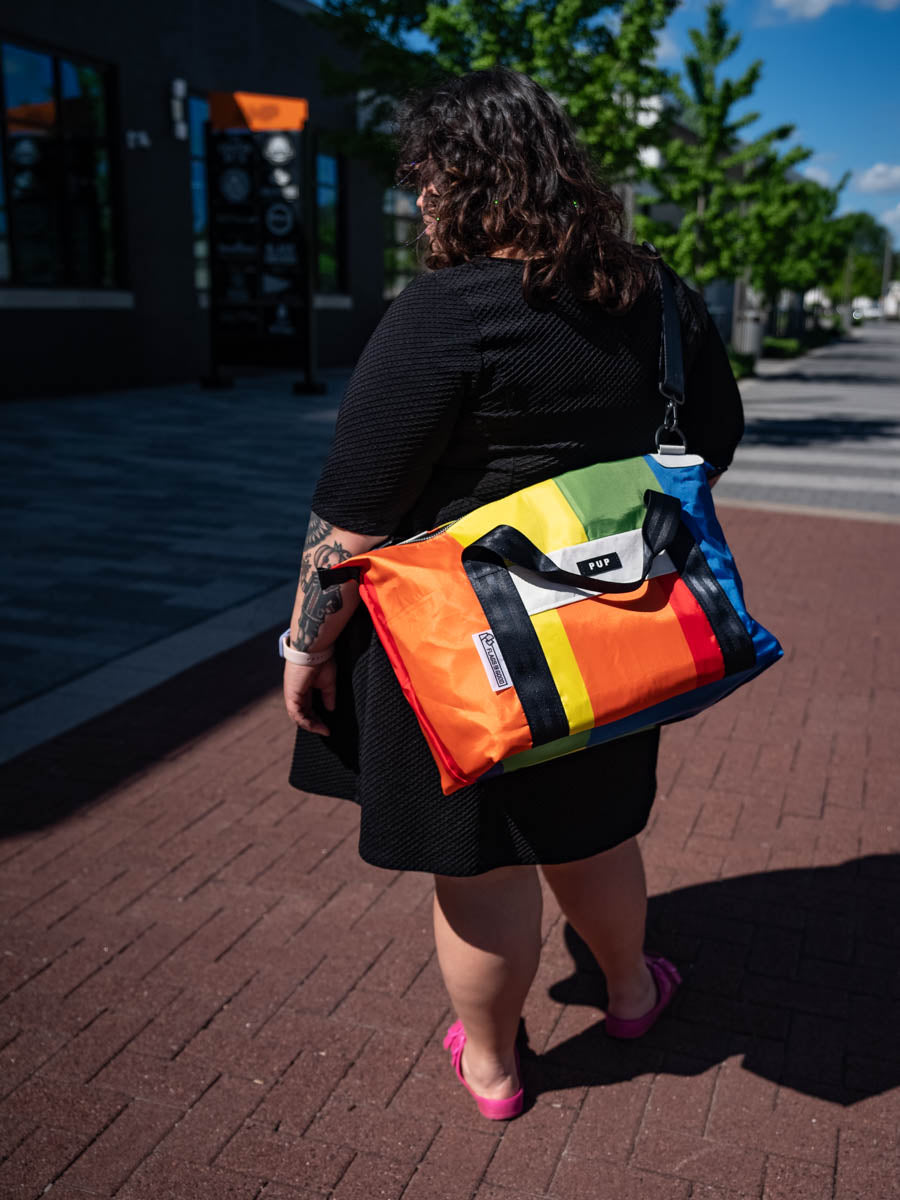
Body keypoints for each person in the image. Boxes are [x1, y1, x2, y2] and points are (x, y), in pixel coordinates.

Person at [282, 67, 743, 1119]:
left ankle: (491, 1070)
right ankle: (631, 993)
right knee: (593, 832)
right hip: (614, 632)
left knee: (482, 870)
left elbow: (355, 520)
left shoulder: (445, 313)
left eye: (424, 174)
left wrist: (304, 650)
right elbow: (709, 442)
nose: (417, 196)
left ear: (466, 174)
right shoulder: (660, 296)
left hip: (460, 654)